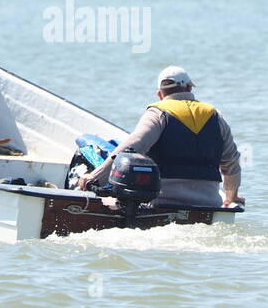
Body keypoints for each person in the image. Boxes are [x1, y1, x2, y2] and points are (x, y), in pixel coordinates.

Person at [79, 66, 243, 208]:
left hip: (163, 202)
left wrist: (94, 178)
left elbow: (131, 147)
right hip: (209, 203)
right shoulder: (215, 116)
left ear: (160, 94)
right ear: (189, 89)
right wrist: (231, 197)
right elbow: (232, 163)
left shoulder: (158, 113)